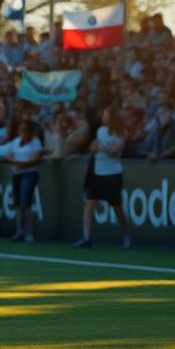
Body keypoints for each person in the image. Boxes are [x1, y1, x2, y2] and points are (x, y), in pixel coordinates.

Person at [73, 106, 132, 249]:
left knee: (117, 207)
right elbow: (93, 148)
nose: (103, 117)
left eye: (105, 114)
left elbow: (115, 152)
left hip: (112, 174)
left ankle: (126, 236)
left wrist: (100, 148)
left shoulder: (122, 132)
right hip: (96, 173)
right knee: (89, 204)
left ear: (111, 117)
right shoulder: (100, 131)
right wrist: (94, 148)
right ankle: (87, 238)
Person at [0, 119, 43, 243]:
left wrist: (21, 163)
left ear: (29, 131)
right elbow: (6, 152)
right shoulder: (16, 142)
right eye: (20, 129)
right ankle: (19, 232)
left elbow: (37, 160)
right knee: (17, 204)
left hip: (29, 174)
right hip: (16, 174)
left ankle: (30, 233)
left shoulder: (35, 142)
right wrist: (11, 158)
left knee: (26, 202)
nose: (21, 131)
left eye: (24, 129)